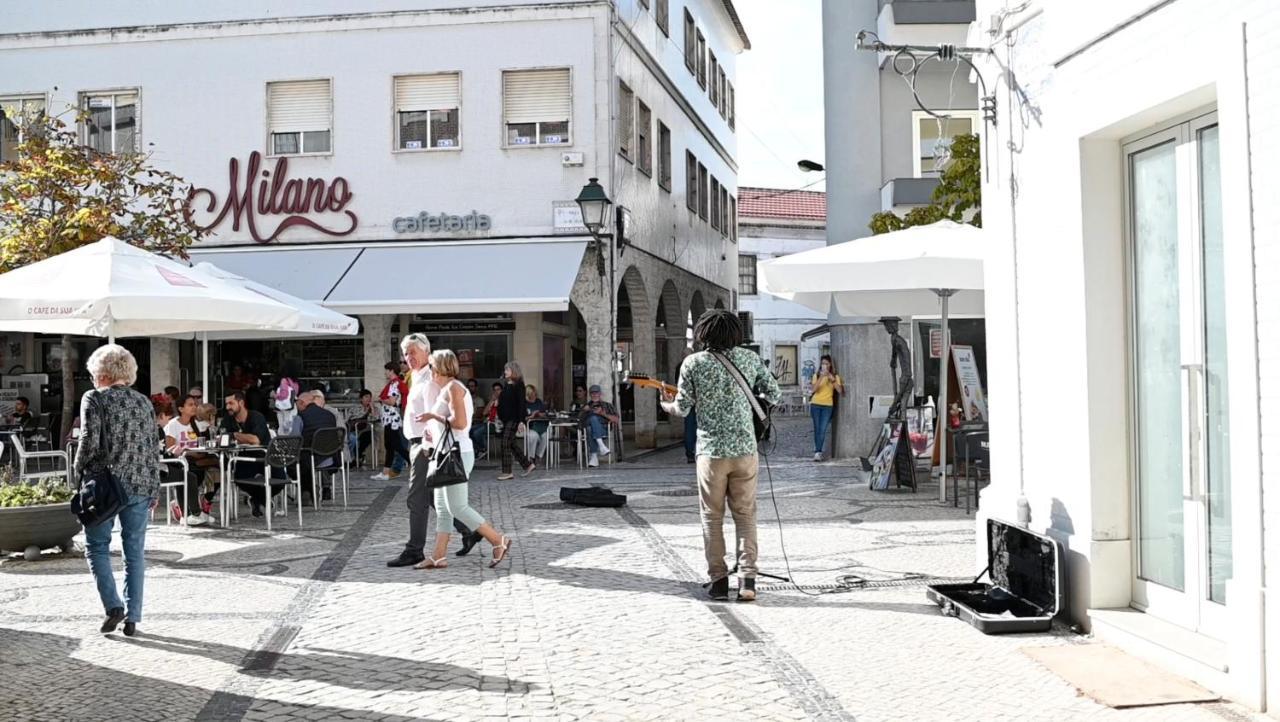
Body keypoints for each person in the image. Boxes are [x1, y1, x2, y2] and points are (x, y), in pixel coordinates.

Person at [660, 310, 781, 603]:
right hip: (745, 450)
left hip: (711, 453)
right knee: (746, 515)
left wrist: (666, 405)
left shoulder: (694, 363)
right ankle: (747, 581)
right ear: (735, 334)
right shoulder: (750, 359)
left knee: (712, 518)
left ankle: (718, 581)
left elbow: (683, 409)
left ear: (703, 333)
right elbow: (774, 393)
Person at [77, 344, 160, 638]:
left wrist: (77, 470)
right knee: (134, 552)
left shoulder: (94, 398)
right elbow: (153, 447)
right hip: (140, 484)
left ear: (101, 373)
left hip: (104, 485)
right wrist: (155, 486)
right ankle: (133, 617)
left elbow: (89, 440)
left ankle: (113, 606)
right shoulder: (144, 402)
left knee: (96, 546)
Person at [412, 349, 513, 570]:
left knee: (457, 507)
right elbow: (450, 424)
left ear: (440, 367)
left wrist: (432, 416)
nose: (429, 371)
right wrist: (433, 430)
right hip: (446, 453)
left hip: (457, 454)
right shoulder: (446, 389)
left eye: (431, 366)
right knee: (442, 507)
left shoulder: (454, 388)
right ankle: (438, 556)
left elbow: (459, 423)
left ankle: (498, 540)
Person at [387, 334, 478, 567]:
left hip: (425, 445)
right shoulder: (415, 376)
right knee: (430, 496)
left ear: (426, 352)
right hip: (416, 442)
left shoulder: (431, 378)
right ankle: (468, 531)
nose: (409, 357)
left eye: (413, 352)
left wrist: (428, 447)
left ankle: (414, 549)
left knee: (416, 497)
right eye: (406, 353)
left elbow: (436, 413)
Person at [222, 390, 277, 518]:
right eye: (226, 404)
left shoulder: (256, 417)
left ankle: (257, 499)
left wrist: (235, 435)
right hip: (241, 458)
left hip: (263, 458)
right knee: (239, 478)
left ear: (241, 402)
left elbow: (255, 440)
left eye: (231, 403)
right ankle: (260, 499)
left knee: (279, 478)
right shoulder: (227, 420)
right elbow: (223, 438)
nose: (227, 407)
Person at [163, 395, 217, 526]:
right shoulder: (173, 425)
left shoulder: (198, 424)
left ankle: (202, 504)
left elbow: (211, 425)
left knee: (218, 469)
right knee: (189, 475)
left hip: (198, 459)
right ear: (181, 408)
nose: (194, 407)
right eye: (190, 405)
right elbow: (170, 448)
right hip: (181, 460)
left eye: (195, 404)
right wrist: (187, 451)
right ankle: (189, 512)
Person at [296, 391, 338, 504]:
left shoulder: (301, 416)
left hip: (311, 456)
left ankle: (307, 490)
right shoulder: (330, 415)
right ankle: (311, 491)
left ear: (302, 403)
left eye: (297, 403)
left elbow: (294, 438)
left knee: (293, 464)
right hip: (331, 456)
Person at [497, 361, 535, 481]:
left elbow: (521, 404)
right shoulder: (507, 384)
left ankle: (507, 471)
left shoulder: (519, 385)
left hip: (514, 419)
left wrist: (521, 421)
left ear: (513, 371)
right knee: (511, 443)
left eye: (507, 370)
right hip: (507, 419)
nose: (505, 372)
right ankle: (528, 465)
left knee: (505, 442)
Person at [373, 361, 409, 481]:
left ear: (391, 371)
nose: (385, 373)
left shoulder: (394, 384)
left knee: (397, 446)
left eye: (387, 370)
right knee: (390, 446)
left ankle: (417, 467)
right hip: (390, 418)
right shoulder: (394, 383)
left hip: (392, 418)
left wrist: (381, 399)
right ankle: (385, 472)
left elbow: (392, 401)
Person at [809, 354, 844, 461]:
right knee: (817, 428)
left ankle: (818, 450)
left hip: (827, 406)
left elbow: (840, 391)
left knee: (823, 429)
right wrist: (821, 377)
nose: (824, 365)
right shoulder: (816, 375)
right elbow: (813, 390)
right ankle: (818, 451)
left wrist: (831, 378)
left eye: (826, 364)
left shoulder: (835, 377)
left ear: (830, 365)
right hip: (815, 404)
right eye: (823, 363)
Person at [577, 385, 619, 468]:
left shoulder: (607, 405)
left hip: (603, 431)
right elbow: (579, 420)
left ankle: (594, 457)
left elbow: (616, 420)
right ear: (590, 394)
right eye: (592, 393)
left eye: (596, 393)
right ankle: (601, 446)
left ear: (600, 394)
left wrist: (603, 413)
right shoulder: (586, 406)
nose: (594, 395)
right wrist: (584, 411)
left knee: (590, 427)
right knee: (590, 423)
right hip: (590, 431)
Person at [523, 384, 551, 462]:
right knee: (533, 436)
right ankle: (531, 457)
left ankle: (538, 455)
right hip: (530, 427)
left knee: (546, 436)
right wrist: (531, 416)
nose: (534, 395)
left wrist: (540, 414)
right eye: (532, 393)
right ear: (528, 394)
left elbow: (544, 413)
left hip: (541, 426)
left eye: (535, 393)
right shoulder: (523, 403)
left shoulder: (538, 401)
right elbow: (522, 418)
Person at [346, 389, 375, 462]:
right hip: (354, 430)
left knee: (368, 436)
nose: (368, 399)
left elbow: (375, 418)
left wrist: (372, 409)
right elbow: (347, 419)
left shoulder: (373, 408)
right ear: (361, 398)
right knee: (352, 439)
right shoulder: (355, 408)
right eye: (366, 397)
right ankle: (352, 458)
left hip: (365, 430)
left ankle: (357, 457)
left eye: (369, 397)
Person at [272, 366, 301, 434]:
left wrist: (275, 396)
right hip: (292, 406)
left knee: (282, 427)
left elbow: (284, 395)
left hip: (283, 407)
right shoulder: (295, 382)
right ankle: (291, 441)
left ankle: (283, 442)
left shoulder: (284, 380)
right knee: (290, 426)